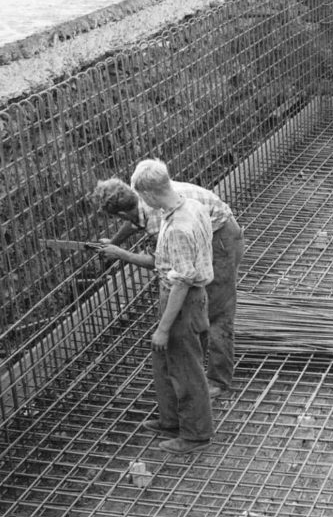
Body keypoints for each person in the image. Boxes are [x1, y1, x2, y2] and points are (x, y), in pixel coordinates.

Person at [93, 167, 245, 406]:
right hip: (207, 233)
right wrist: (113, 243)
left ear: (122, 212)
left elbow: (162, 262)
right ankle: (200, 367)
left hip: (221, 238)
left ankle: (219, 380)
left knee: (219, 313)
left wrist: (121, 254)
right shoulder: (139, 194)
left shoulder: (159, 216)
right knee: (204, 311)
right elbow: (135, 222)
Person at [110, 159, 215, 454]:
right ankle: (171, 420)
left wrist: (163, 328)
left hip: (183, 302)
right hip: (181, 297)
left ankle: (195, 434)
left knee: (187, 369)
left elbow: (181, 283)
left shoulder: (180, 227)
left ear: (150, 194)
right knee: (167, 362)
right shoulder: (188, 205)